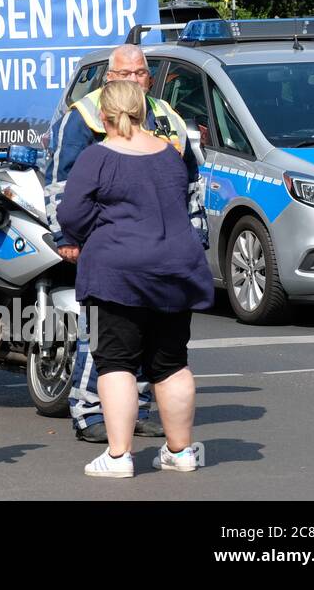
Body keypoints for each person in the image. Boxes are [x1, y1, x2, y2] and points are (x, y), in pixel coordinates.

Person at [44, 43, 203, 443]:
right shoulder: (82, 119)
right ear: (108, 77)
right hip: (108, 250)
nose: (133, 80)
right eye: (125, 74)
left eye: (140, 73)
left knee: (148, 348)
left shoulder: (168, 118)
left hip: (152, 255)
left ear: (150, 78)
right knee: (102, 339)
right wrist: (68, 239)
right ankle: (90, 410)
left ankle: (138, 413)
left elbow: (192, 187)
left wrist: (196, 233)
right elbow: (62, 188)